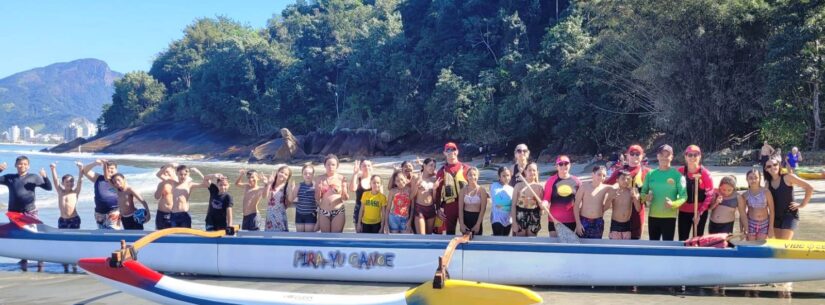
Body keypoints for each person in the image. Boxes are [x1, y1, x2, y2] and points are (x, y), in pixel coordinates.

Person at [1, 156, 51, 272]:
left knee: (34, 235)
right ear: (15, 165)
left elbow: (48, 188)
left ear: (28, 166)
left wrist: (45, 177)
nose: (22, 166)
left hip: (29, 212)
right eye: (19, 164)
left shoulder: (33, 177)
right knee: (19, 235)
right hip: (14, 213)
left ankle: (40, 258)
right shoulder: (10, 178)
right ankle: (24, 258)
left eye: (24, 164)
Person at [641, 145, 687, 241]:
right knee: (653, 247)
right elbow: (642, 193)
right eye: (662, 155)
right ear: (657, 156)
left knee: (668, 247)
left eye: (667, 155)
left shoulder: (677, 175)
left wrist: (673, 204)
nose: (664, 158)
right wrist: (646, 197)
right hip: (653, 216)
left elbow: (684, 196)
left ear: (672, 157)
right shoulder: (650, 174)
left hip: (669, 217)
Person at [604, 145, 650, 240]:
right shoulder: (619, 172)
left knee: (635, 243)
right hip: (619, 216)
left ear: (642, 156)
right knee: (615, 245)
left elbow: (658, 188)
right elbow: (604, 185)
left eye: (638, 154)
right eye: (632, 154)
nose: (634, 156)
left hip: (637, 213)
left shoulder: (647, 172)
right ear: (627, 156)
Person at [765, 156, 813, 240]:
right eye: (769, 166)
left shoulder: (788, 177)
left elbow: (809, 187)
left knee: (784, 242)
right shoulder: (767, 184)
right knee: (779, 244)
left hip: (790, 215)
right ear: (766, 169)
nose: (773, 167)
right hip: (775, 217)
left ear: (779, 165)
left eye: (775, 164)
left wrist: (802, 205)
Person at [49, 162, 83, 273]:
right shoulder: (60, 191)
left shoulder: (75, 192)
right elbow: (55, 181)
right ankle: (65, 261)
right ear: (63, 183)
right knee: (63, 241)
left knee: (73, 241)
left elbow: (80, 181)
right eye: (67, 181)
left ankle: (74, 260)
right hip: (62, 220)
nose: (69, 183)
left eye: (71, 181)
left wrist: (80, 169)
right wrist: (53, 169)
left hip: (74, 219)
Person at [677, 145, 713, 240]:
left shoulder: (705, 174)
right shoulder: (680, 172)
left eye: (695, 155)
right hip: (684, 211)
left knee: (697, 240)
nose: (692, 157)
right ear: (685, 156)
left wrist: (699, 213)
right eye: (690, 155)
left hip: (699, 212)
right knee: (682, 239)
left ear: (700, 156)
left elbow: (709, 196)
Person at [433, 142, 470, 235]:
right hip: (449, 206)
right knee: (449, 233)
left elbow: (474, 188)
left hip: (465, 205)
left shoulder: (466, 168)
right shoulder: (441, 171)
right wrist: (437, 209)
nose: (451, 152)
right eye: (448, 150)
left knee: (467, 232)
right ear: (444, 153)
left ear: (457, 151)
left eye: (453, 150)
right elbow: (438, 192)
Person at [541, 155, 581, 237]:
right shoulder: (551, 181)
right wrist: (544, 204)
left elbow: (580, 202)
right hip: (554, 220)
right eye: (560, 164)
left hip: (571, 220)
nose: (563, 166)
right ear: (556, 166)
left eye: (566, 163)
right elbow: (546, 199)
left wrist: (579, 222)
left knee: (567, 248)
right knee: (554, 247)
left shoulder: (577, 182)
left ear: (570, 165)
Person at [81, 159, 121, 230]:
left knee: (113, 230)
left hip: (114, 211)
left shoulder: (118, 181)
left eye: (112, 168)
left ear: (116, 170)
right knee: (102, 232)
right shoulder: (98, 178)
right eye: (107, 168)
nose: (109, 170)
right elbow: (85, 170)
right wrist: (95, 163)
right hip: (99, 213)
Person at [315, 154, 349, 233]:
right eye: (328, 164)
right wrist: (319, 190)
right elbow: (317, 198)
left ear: (337, 166)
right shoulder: (319, 178)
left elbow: (345, 198)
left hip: (338, 211)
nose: (331, 167)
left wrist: (343, 189)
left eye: (333, 165)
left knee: (336, 237)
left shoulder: (342, 178)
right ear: (325, 165)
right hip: (324, 211)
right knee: (325, 237)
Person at [575, 166, 610, 239]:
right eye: (599, 174)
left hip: (598, 222)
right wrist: (578, 224)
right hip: (584, 221)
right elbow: (576, 206)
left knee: (595, 246)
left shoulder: (606, 188)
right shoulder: (584, 187)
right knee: (581, 245)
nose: (601, 177)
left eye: (604, 175)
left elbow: (617, 187)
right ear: (593, 174)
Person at [605, 170, 641, 240]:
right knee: (615, 247)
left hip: (627, 224)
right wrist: (610, 198)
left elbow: (638, 209)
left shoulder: (633, 191)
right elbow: (605, 208)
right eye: (623, 179)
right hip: (615, 224)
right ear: (617, 180)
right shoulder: (613, 191)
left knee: (626, 247)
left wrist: (635, 198)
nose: (626, 181)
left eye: (628, 179)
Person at [741, 169, 774, 240]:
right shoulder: (745, 195)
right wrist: (742, 229)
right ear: (747, 179)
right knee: (751, 246)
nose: (753, 180)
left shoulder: (766, 192)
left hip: (764, 223)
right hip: (750, 223)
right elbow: (742, 214)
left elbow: (772, 211)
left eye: (756, 177)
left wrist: (771, 228)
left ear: (760, 178)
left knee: (761, 245)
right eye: (750, 178)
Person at [511, 162, 543, 237]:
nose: (532, 172)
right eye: (529, 170)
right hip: (520, 215)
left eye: (534, 170)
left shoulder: (539, 187)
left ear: (537, 172)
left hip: (534, 215)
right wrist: (514, 223)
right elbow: (513, 205)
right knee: (521, 240)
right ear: (525, 172)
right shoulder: (518, 186)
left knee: (532, 241)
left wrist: (542, 209)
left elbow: (541, 208)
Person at [458, 167, 488, 236]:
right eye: (470, 175)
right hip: (466, 218)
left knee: (477, 242)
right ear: (467, 176)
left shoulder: (482, 190)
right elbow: (460, 209)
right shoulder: (463, 190)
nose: (472, 177)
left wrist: (478, 224)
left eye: (475, 175)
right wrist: (461, 224)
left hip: (477, 218)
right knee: (465, 242)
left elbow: (483, 210)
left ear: (478, 176)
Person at [411, 158, 437, 234]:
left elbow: (435, 200)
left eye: (434, 166)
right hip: (419, 209)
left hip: (431, 209)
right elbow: (411, 197)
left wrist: (435, 189)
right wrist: (416, 185)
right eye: (431, 165)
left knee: (429, 237)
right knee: (421, 237)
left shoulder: (434, 179)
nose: (433, 168)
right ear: (424, 166)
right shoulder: (416, 177)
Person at [289, 164, 317, 232]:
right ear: (302, 174)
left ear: (313, 174)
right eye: (305, 173)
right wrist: (291, 189)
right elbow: (291, 199)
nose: (308, 175)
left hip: (311, 214)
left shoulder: (316, 186)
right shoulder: (299, 186)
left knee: (309, 237)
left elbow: (319, 200)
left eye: (310, 173)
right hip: (299, 214)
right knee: (300, 236)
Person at [265, 166, 292, 232]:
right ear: (277, 172)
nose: (283, 175)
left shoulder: (287, 186)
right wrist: (269, 183)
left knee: (281, 238)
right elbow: (265, 197)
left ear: (288, 177)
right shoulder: (271, 183)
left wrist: (291, 190)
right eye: (281, 172)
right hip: (270, 215)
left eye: (286, 174)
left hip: (280, 216)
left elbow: (289, 202)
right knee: (269, 238)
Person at [350, 159, 373, 232]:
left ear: (372, 167)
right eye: (364, 166)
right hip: (359, 208)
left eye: (369, 165)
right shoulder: (358, 179)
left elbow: (381, 196)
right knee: (359, 232)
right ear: (361, 168)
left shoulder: (375, 180)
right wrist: (355, 174)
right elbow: (352, 189)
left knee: (372, 234)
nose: (366, 167)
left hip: (372, 208)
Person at [490, 167, 513, 236]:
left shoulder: (512, 189)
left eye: (508, 175)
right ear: (499, 176)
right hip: (497, 219)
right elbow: (497, 203)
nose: (506, 178)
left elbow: (513, 205)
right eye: (504, 176)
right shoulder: (494, 186)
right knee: (498, 239)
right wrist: (507, 206)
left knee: (505, 240)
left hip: (508, 219)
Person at [153, 163, 177, 229]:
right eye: (163, 172)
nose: (165, 174)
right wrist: (162, 184)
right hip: (161, 213)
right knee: (159, 234)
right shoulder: (161, 184)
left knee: (174, 234)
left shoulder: (178, 183)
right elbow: (157, 197)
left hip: (173, 213)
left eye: (167, 172)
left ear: (173, 171)